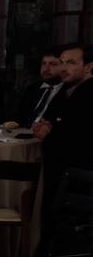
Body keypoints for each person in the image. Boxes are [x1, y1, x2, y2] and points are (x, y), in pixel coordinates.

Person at [32, 44, 93, 245]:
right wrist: (46, 127)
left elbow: (78, 142)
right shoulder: (66, 89)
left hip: (77, 176)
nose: (64, 68)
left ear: (88, 67)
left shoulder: (89, 93)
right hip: (61, 166)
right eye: (63, 62)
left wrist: (49, 135)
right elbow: (50, 120)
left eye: (72, 62)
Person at [14, 49, 62, 128]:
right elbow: (18, 117)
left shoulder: (67, 91)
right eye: (43, 64)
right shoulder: (32, 89)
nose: (46, 69)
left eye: (53, 64)